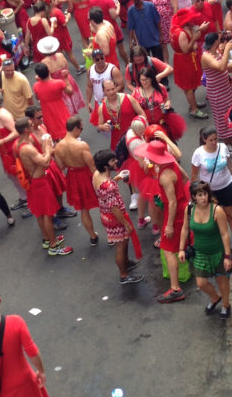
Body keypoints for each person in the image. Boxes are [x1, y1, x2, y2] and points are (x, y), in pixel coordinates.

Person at [135, 139, 189, 303]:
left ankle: (175, 289)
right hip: (180, 207)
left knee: (168, 248)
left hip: (176, 212)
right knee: (177, 244)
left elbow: (172, 202)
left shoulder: (165, 175)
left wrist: (170, 225)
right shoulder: (172, 163)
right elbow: (185, 178)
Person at [14, 118, 72, 257]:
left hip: (34, 182)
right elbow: (45, 163)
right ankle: (53, 245)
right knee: (47, 214)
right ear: (26, 130)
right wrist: (47, 147)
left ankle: (47, 239)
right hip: (39, 182)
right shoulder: (27, 147)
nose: (33, 125)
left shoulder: (20, 144)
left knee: (40, 213)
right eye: (29, 125)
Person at [190, 128, 232, 260]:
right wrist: (196, 195)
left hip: (227, 185)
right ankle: (221, 248)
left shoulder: (222, 147)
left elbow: (229, 165)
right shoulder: (198, 154)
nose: (214, 142)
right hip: (210, 191)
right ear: (204, 139)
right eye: (211, 140)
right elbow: (194, 176)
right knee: (215, 221)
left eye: (215, 139)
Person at [181, 181, 232, 320]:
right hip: (200, 253)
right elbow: (185, 229)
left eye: (205, 194)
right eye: (200, 195)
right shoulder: (189, 210)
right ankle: (214, 297)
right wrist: (181, 249)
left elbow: (224, 234)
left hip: (218, 252)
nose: (203, 198)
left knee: (222, 280)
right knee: (201, 283)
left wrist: (227, 256)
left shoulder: (217, 210)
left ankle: (226, 304)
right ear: (194, 197)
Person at [91, 149, 143, 286]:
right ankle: (124, 275)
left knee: (123, 242)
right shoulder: (108, 185)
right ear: (105, 165)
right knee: (121, 245)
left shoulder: (97, 175)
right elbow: (114, 207)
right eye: (112, 161)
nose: (116, 162)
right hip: (115, 218)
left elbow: (105, 192)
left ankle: (126, 264)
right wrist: (125, 223)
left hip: (105, 215)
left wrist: (117, 178)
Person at [53, 117, 100, 245]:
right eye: (81, 129)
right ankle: (112, 234)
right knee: (104, 203)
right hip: (85, 175)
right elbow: (92, 167)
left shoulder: (58, 147)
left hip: (73, 176)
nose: (81, 131)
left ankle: (92, 236)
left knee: (84, 209)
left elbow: (61, 167)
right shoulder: (81, 145)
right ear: (75, 129)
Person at [200, 34, 232, 146]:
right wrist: (227, 50)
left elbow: (225, 66)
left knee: (230, 113)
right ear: (215, 42)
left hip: (225, 88)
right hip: (217, 91)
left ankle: (231, 139)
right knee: (222, 117)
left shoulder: (216, 52)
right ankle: (227, 143)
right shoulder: (206, 56)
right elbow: (220, 67)